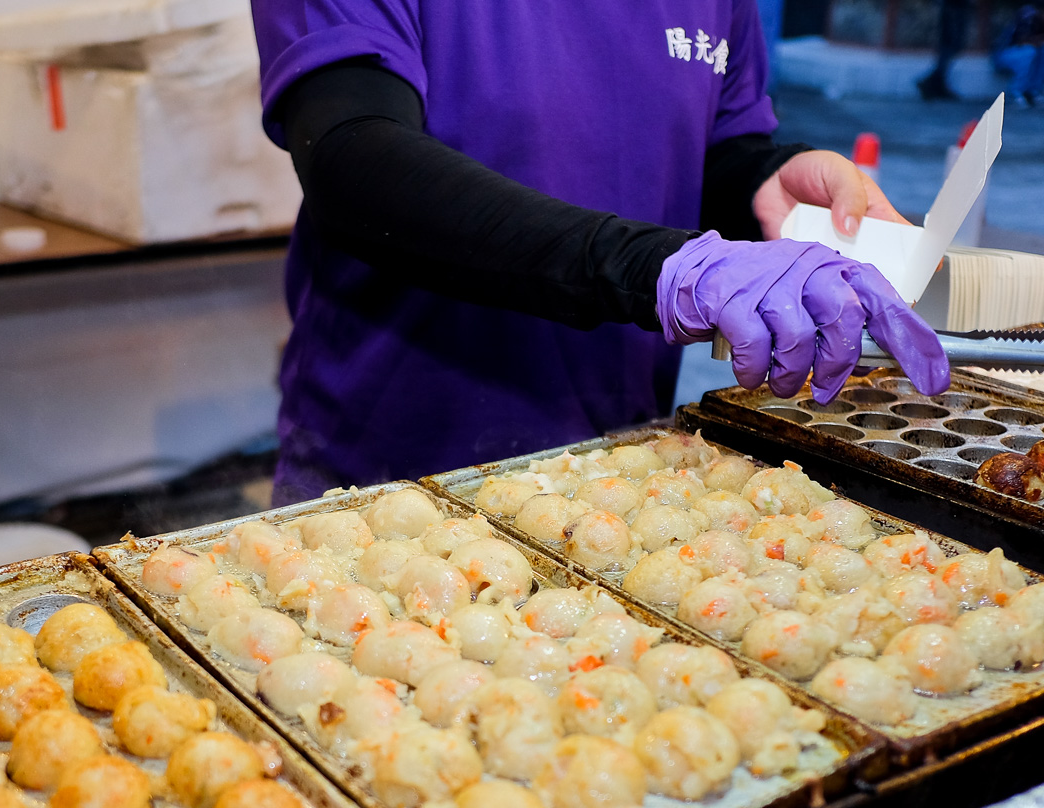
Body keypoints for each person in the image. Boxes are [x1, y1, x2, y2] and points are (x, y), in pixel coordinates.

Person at [252, 1, 948, 503]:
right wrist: (651, 269)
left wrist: (767, 177)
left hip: (615, 467)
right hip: (391, 470)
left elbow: (706, 147)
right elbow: (352, 155)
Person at [918, 0, 976, 101]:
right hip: (953, 9)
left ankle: (936, 84)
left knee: (950, 47)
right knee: (950, 46)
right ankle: (932, 83)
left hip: (953, 8)